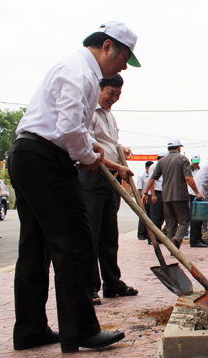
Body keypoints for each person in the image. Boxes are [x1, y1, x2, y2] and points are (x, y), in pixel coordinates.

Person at [9, 21, 140, 352]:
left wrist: (89, 147)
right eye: (123, 57)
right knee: (76, 244)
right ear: (107, 46)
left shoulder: (74, 67)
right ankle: (80, 330)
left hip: (28, 154)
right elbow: (68, 130)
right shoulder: (82, 73)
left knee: (35, 248)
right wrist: (88, 157)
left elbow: (70, 128)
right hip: (46, 161)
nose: (123, 66)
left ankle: (30, 329)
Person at [78, 74, 138, 305]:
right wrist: (119, 167)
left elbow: (108, 145)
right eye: (110, 93)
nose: (114, 98)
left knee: (109, 236)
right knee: (90, 235)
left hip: (110, 180)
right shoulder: (88, 113)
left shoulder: (110, 117)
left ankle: (113, 283)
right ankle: (90, 287)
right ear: (99, 89)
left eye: (118, 95)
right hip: (91, 177)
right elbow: (90, 151)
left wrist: (120, 149)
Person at [143, 138, 202, 249]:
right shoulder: (183, 159)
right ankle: (177, 239)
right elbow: (188, 178)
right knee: (184, 220)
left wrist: (145, 193)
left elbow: (152, 179)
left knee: (170, 223)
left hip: (166, 197)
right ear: (179, 147)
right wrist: (197, 192)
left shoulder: (161, 161)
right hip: (180, 196)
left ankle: (172, 249)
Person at [147, 150, 167, 231]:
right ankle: (152, 237)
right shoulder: (154, 166)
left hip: (164, 193)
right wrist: (153, 195)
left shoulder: (165, 167)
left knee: (161, 217)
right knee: (155, 217)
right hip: (156, 192)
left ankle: (158, 236)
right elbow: (151, 180)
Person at [137, 161, 153, 241]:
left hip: (150, 197)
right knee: (143, 216)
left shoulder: (152, 176)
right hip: (144, 197)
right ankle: (141, 234)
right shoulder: (142, 176)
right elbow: (139, 189)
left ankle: (148, 234)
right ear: (146, 168)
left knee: (150, 216)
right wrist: (140, 200)